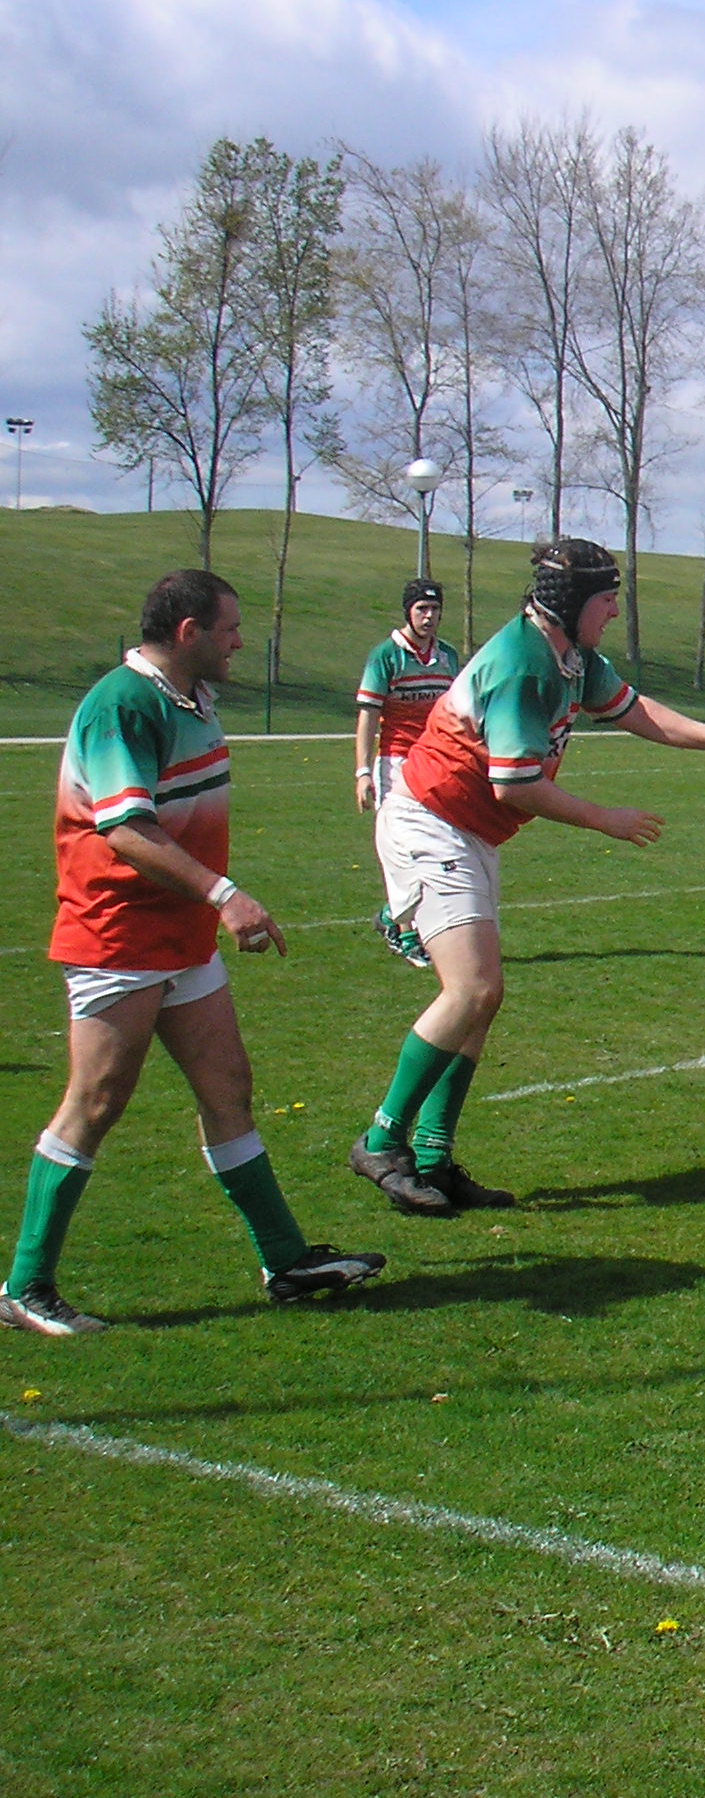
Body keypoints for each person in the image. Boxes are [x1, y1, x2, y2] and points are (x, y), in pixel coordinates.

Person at [350, 539, 705, 1215]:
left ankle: (432, 1158)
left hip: (465, 832)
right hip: (430, 824)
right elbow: (514, 786)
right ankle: (383, 1141)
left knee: (479, 998)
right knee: (473, 988)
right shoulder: (524, 665)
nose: (614, 611)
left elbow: (636, 710)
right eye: (606, 599)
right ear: (573, 601)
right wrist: (601, 816)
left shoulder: (567, 655)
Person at [5, 572, 385, 1336]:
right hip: (119, 935)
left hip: (180, 935)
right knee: (98, 1101)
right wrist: (224, 895)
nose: (241, 640)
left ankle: (284, 1260)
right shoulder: (121, 704)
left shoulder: (192, 699)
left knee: (228, 1089)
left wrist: (207, 906)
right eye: (230, 628)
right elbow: (125, 831)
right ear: (188, 632)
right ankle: (25, 1286)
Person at [352, 578, 460, 969]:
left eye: (434, 610)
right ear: (408, 612)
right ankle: (406, 932)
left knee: (437, 845)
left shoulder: (447, 657)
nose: (429, 617)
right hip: (395, 763)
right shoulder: (386, 656)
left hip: (436, 762)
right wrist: (363, 771)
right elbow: (368, 716)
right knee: (402, 851)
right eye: (421, 610)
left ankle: (391, 917)